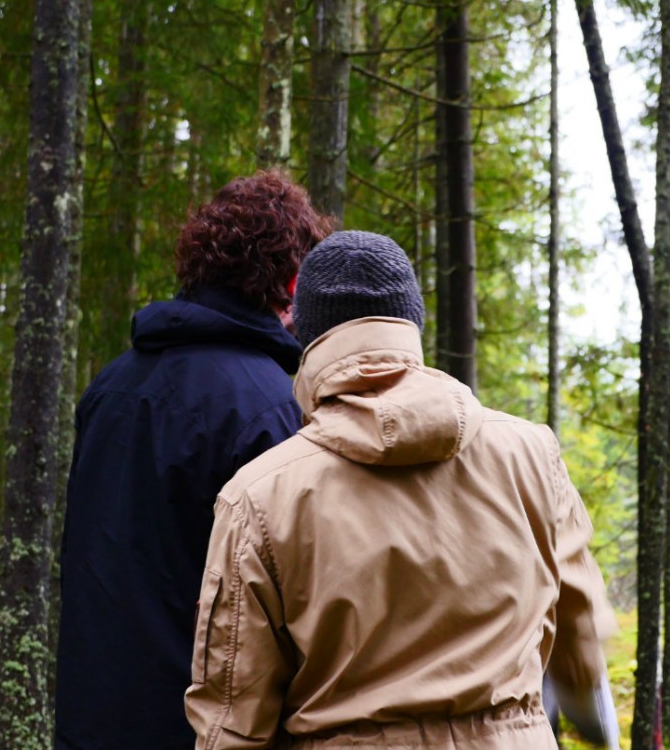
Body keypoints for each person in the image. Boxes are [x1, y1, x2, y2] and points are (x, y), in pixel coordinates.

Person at [185, 231, 619, 750]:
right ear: (411, 322)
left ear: (307, 333)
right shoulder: (531, 454)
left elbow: (233, 715)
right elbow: (581, 639)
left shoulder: (258, 496)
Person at [55, 171, 330, 750]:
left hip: (92, 720)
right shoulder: (270, 407)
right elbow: (293, 610)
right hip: (202, 729)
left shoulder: (109, 388)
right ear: (291, 283)